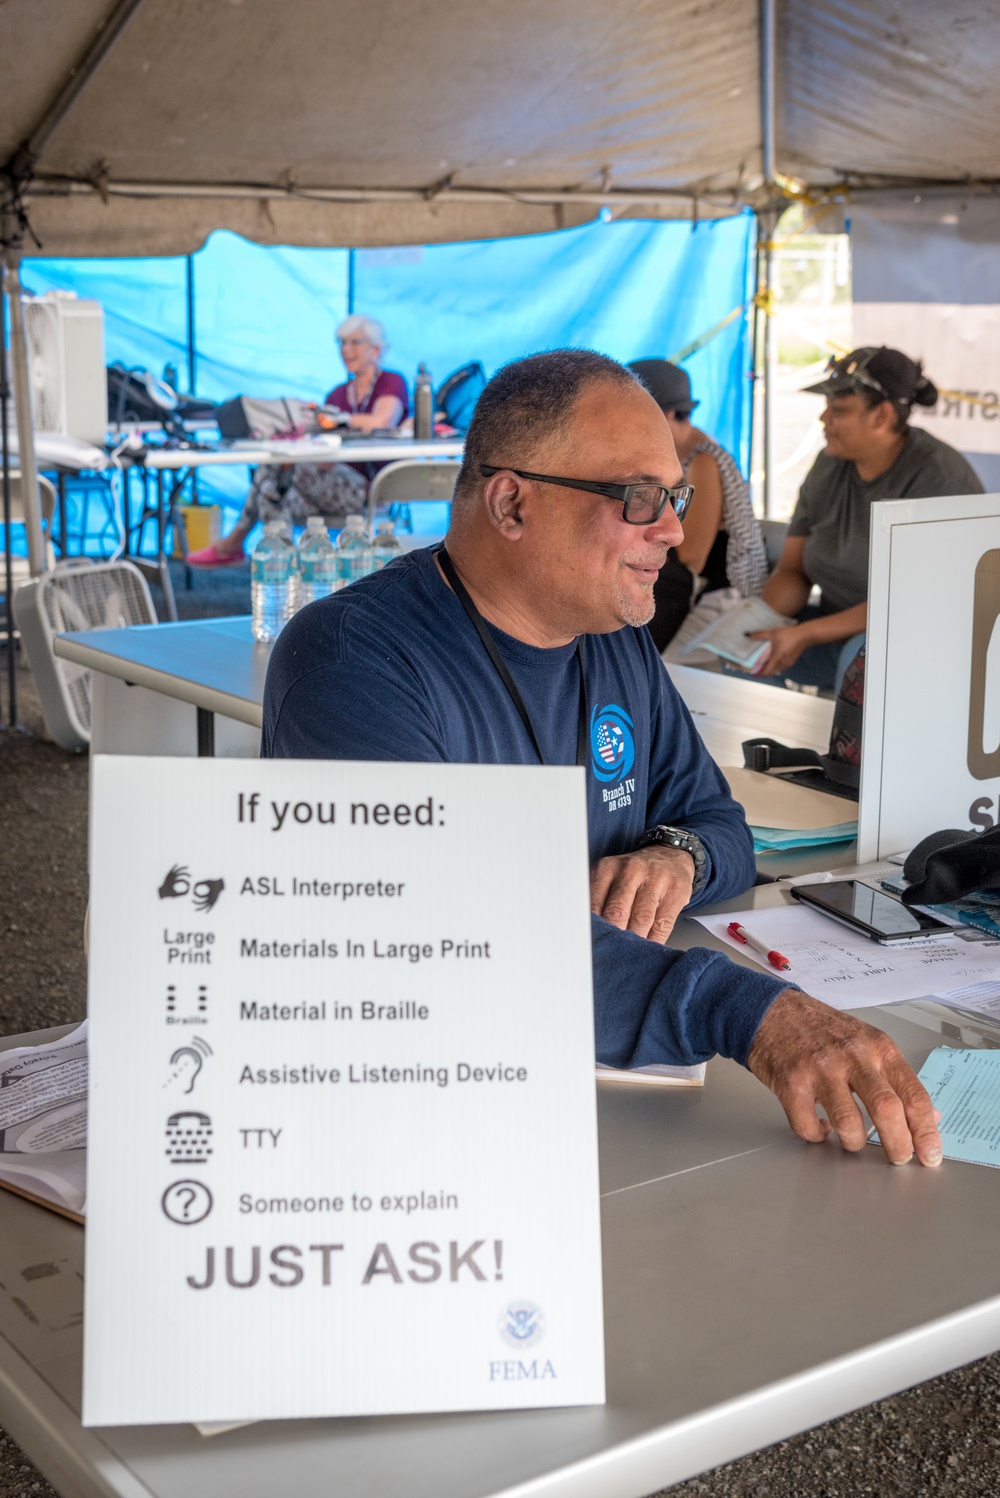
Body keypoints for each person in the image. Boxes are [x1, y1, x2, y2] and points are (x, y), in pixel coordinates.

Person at [262, 349, 941, 1169]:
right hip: (427, 1134)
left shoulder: (615, 642)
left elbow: (721, 827)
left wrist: (675, 858)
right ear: (511, 503)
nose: (674, 530)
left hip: (618, 1107)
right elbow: (433, 944)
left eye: (676, 495)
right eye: (639, 498)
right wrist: (746, 1011)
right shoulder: (353, 663)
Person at [749, 346, 983, 689]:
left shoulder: (940, 479)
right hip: (835, 631)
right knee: (747, 652)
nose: (824, 418)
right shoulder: (829, 465)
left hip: (925, 643)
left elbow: (910, 602)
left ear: (882, 416)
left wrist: (805, 633)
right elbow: (792, 570)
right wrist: (756, 626)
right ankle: (772, 744)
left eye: (839, 409)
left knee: (860, 662)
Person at [189, 315, 409, 566]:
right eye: (341, 342)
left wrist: (341, 420)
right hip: (329, 482)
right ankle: (284, 563)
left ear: (376, 349)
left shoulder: (391, 381)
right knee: (271, 492)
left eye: (354, 342)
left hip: (371, 490)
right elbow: (323, 436)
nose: (345, 350)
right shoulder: (337, 393)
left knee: (271, 469)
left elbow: (382, 421)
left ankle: (256, 552)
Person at [627, 359, 767, 651]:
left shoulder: (702, 460)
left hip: (721, 595)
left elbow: (692, 558)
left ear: (665, 414)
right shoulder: (675, 453)